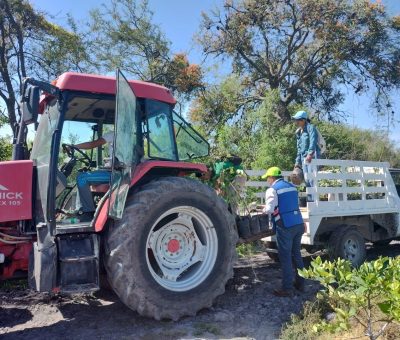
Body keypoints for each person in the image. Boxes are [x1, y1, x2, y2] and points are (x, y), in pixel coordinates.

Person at [261, 166, 305, 297]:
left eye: (267, 178)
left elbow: (269, 209)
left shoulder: (272, 190)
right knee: (296, 254)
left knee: (285, 257)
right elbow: (294, 205)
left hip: (285, 225)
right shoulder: (292, 186)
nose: (267, 181)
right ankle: (301, 284)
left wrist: (261, 210)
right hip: (298, 223)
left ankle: (287, 289)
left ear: (271, 178)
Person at [64, 131, 114, 221]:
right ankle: (80, 209)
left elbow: (92, 144)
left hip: (116, 173)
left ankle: (88, 212)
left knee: (82, 178)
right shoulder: (125, 135)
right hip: (114, 171)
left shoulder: (113, 134)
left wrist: (74, 146)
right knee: (83, 176)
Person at [293, 110, 321, 199]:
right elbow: (299, 148)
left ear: (303, 120)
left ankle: (314, 201)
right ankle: (310, 201)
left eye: (298, 120)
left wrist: (310, 154)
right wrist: (297, 162)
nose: (296, 122)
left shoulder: (310, 128)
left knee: (312, 178)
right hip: (303, 157)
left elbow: (313, 141)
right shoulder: (298, 132)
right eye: (295, 120)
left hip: (311, 156)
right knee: (306, 179)